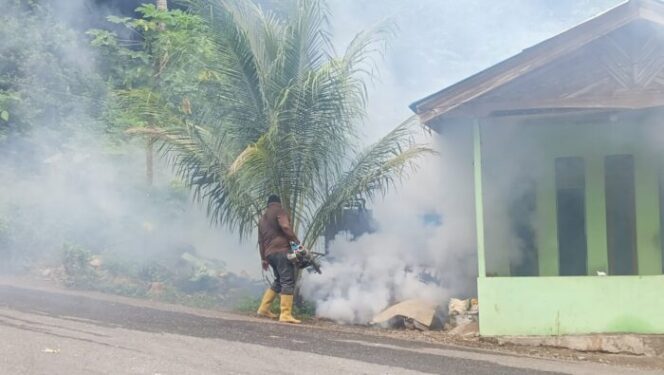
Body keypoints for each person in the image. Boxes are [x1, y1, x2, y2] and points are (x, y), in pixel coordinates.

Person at [256, 195, 301, 323]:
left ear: (268, 204)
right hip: (281, 251)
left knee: (279, 281)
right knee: (287, 280)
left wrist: (263, 259)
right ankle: (285, 314)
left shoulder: (262, 219)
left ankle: (263, 309)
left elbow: (260, 242)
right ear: (278, 203)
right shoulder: (280, 211)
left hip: (269, 254)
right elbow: (286, 227)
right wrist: (297, 243)